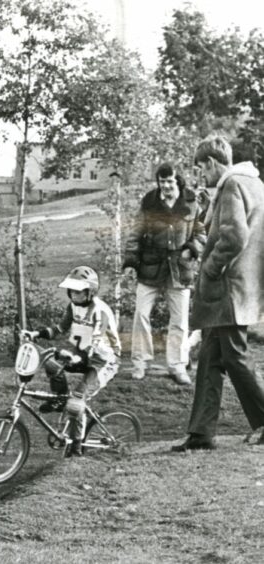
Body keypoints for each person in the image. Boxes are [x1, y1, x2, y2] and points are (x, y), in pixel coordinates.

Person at [172, 135, 264, 452]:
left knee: (235, 357)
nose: (202, 175)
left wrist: (211, 268)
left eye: (201, 169)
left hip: (227, 288)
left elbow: (235, 236)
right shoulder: (253, 183)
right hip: (242, 287)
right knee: (211, 357)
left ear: (211, 162)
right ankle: (201, 433)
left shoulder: (232, 184)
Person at [22, 266, 121, 457]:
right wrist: (36, 334)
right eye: (72, 291)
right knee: (51, 363)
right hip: (83, 354)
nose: (73, 295)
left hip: (103, 360)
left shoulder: (99, 310)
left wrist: (75, 356)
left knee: (76, 402)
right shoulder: (73, 306)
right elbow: (59, 328)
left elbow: (97, 338)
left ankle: (76, 447)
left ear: (89, 291)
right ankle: (60, 400)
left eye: (78, 291)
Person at [122, 162, 206, 384]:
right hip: (150, 265)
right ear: (158, 182)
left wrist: (192, 249)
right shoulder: (149, 202)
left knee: (179, 320)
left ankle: (177, 366)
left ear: (177, 180)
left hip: (180, 268)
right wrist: (131, 261)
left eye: (170, 181)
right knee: (140, 315)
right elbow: (135, 232)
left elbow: (200, 232)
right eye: (162, 181)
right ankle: (141, 363)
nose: (166, 186)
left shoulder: (191, 202)